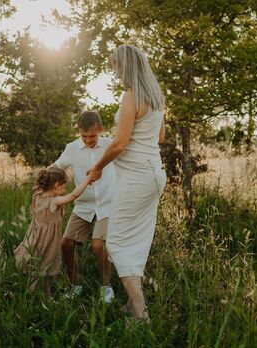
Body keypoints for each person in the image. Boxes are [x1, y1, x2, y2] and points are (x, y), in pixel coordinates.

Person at [88, 45, 166, 322]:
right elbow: (159, 138)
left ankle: (140, 312)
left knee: (118, 242)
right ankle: (133, 303)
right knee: (138, 240)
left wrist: (98, 166)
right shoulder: (156, 97)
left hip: (135, 177)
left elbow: (120, 143)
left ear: (126, 67)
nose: (116, 73)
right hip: (155, 174)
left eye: (116, 67)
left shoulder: (131, 97)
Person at [55, 111, 116, 303]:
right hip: (83, 204)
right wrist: (42, 182)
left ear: (100, 130)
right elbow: (57, 167)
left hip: (108, 203)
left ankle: (106, 288)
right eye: (84, 136)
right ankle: (75, 286)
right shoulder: (71, 148)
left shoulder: (110, 145)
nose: (88, 140)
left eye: (92, 136)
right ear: (79, 131)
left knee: (98, 244)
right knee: (66, 243)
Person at [14, 165, 91, 298]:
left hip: (34, 237)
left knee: (36, 265)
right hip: (47, 241)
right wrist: (88, 179)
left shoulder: (38, 195)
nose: (64, 189)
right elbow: (74, 195)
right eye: (63, 186)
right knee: (45, 266)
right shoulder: (54, 201)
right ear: (56, 185)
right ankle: (39, 298)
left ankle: (44, 296)